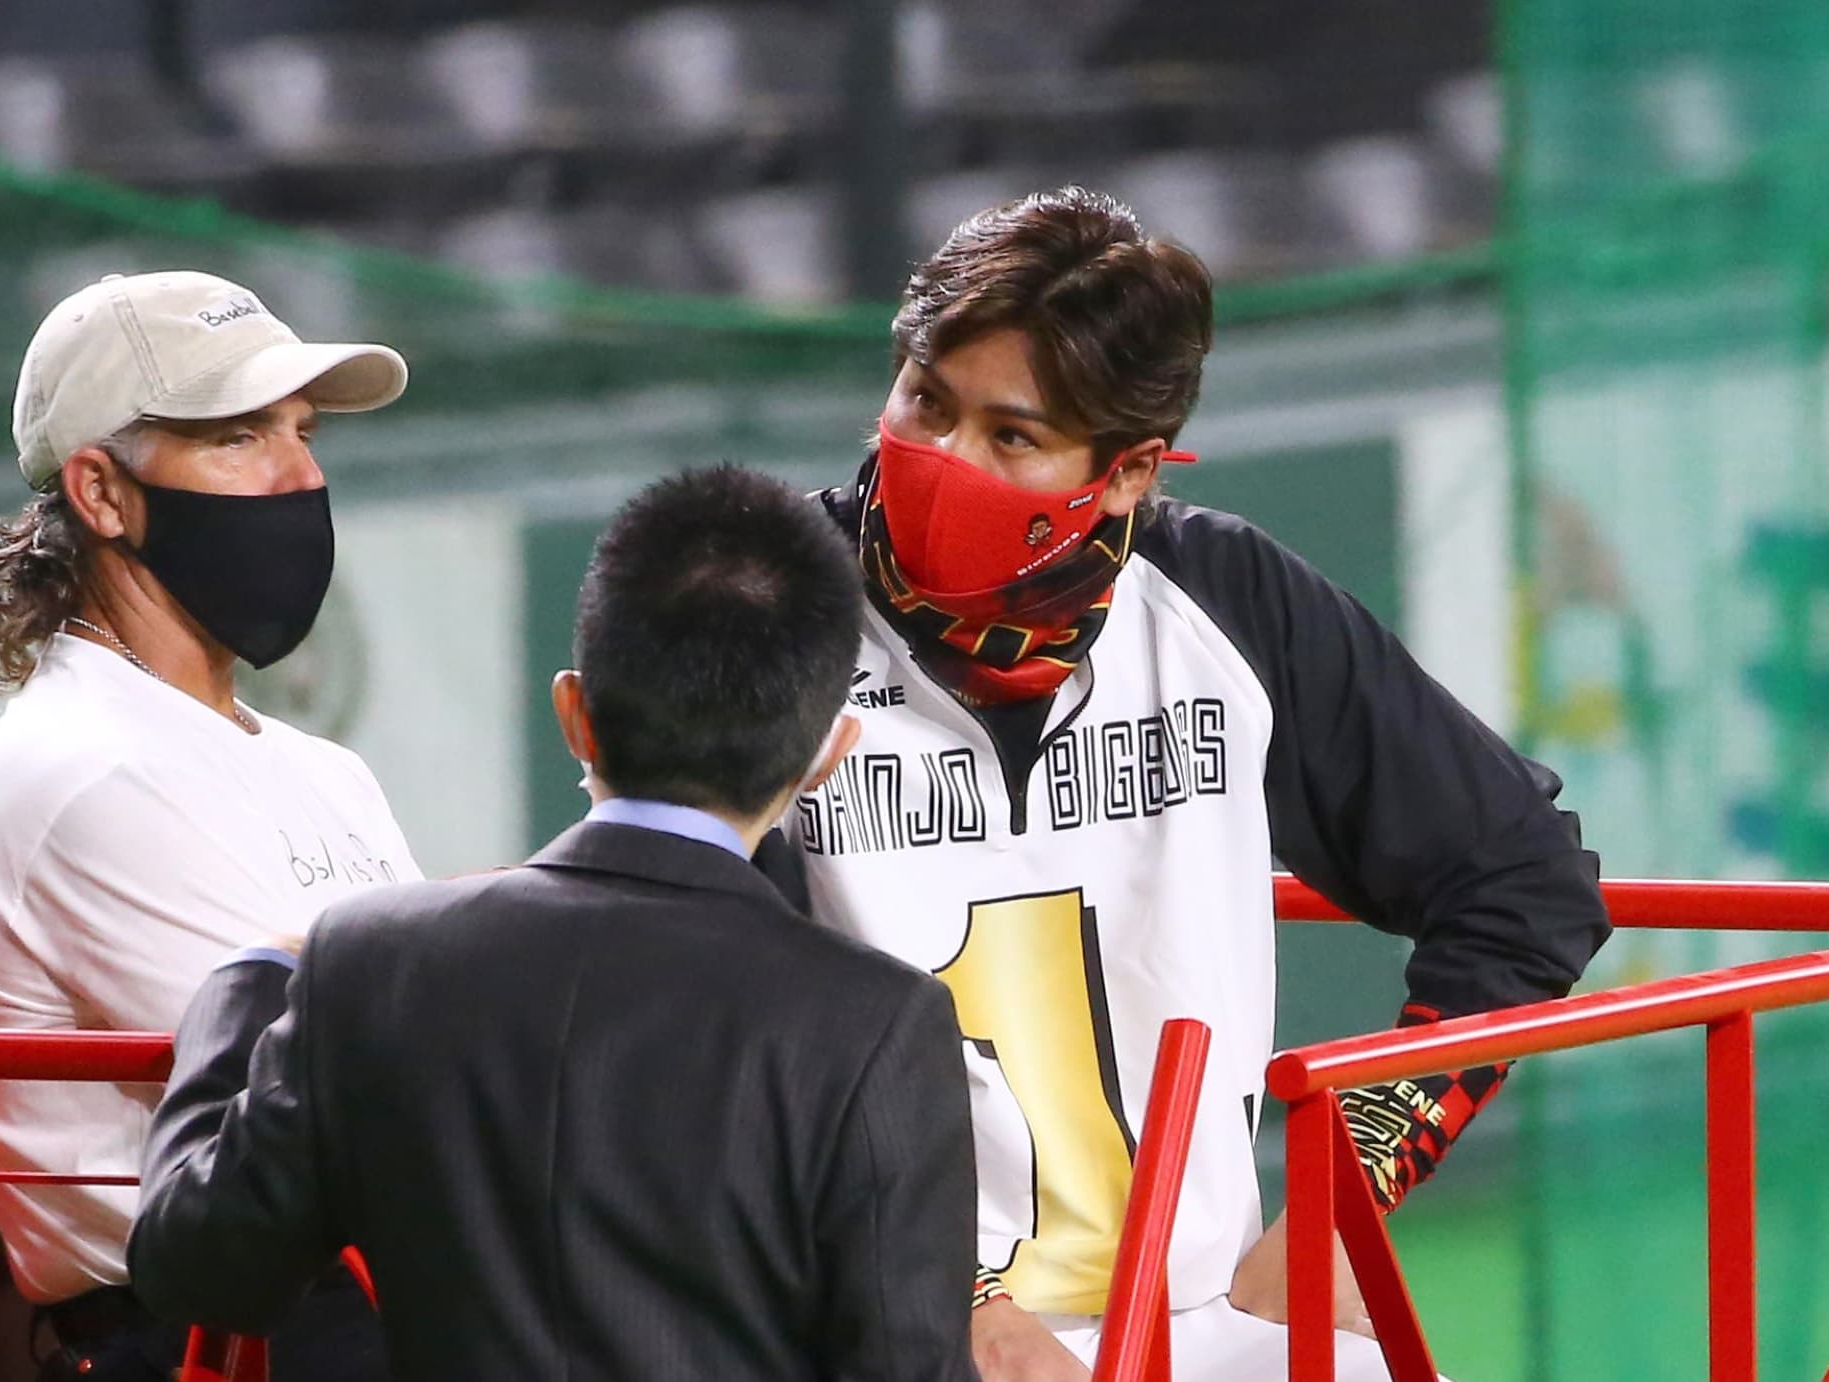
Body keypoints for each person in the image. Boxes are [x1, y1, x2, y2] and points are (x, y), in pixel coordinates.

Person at [785, 187, 1611, 1380]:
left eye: (1010, 436)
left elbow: (1522, 882)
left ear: (1124, 475)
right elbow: (692, 1006)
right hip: (871, 1335)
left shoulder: (1223, 599)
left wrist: (1342, 1186)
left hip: (1203, 1326)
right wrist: (947, 1301)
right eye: (924, 400)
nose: (938, 460)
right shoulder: (762, 609)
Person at [128, 467, 981, 1382]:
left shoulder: (367, 959)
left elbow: (200, 1267)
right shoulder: (880, 1023)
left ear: (573, 711)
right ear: (827, 757)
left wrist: (249, 982)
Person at [0, 270, 419, 1381]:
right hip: (198, 1339)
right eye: (240, 437)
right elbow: (330, 1098)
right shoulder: (69, 768)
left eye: (300, 431)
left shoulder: (320, 769)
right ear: (100, 493)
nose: (303, 475)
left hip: (343, 1310)